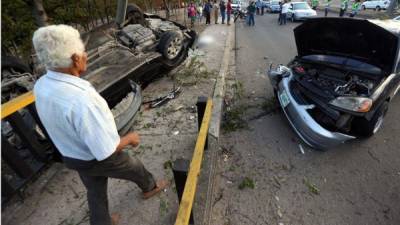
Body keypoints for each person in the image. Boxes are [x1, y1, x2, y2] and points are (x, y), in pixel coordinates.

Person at [32, 25, 169, 225]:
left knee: (95, 190)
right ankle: (150, 187)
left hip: (73, 157)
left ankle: (101, 221)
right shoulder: (82, 99)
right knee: (134, 167)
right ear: (75, 59)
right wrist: (130, 139)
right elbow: (105, 151)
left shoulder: (41, 85)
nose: (85, 55)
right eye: (82, 51)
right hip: (96, 158)